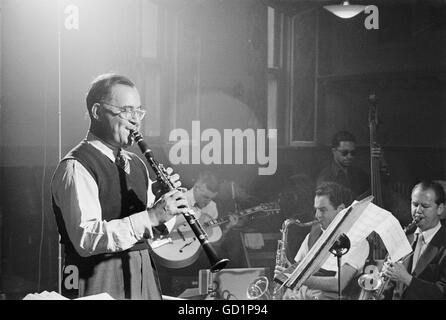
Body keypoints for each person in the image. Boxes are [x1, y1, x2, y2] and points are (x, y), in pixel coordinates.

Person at [51, 73, 191, 300]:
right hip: (98, 276)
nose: (136, 120)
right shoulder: (77, 165)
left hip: (141, 270)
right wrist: (152, 216)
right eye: (127, 110)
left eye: (139, 111)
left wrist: (165, 209)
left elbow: (151, 233)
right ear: (97, 112)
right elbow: (86, 239)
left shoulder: (137, 164)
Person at [275, 182, 370, 300]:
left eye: (322, 210)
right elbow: (296, 269)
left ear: (340, 210)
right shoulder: (313, 235)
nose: (317, 215)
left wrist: (297, 278)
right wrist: (286, 287)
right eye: (316, 210)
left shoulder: (357, 241)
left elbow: (338, 284)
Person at [381, 180, 446, 300]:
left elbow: (442, 292)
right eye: (415, 204)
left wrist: (407, 279)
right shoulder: (405, 238)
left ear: (440, 209)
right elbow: (392, 287)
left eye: (425, 206)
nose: (418, 211)